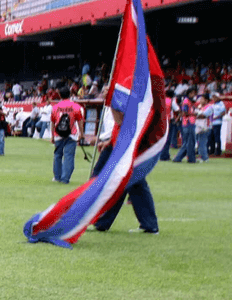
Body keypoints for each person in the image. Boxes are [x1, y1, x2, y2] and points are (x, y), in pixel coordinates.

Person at [90, 105, 159, 234]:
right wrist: (110, 141)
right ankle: (149, 225)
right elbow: (119, 125)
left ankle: (102, 221)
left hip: (127, 145)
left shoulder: (122, 98)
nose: (104, 91)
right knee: (129, 182)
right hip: (119, 142)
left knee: (125, 181)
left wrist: (112, 100)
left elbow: (121, 120)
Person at [51, 86, 84, 183]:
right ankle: (65, 178)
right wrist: (81, 133)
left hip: (58, 134)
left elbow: (53, 122)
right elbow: (79, 121)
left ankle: (57, 177)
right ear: (70, 94)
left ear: (60, 95)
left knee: (57, 155)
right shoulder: (75, 106)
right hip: (71, 134)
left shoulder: (55, 107)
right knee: (69, 156)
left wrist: (52, 136)